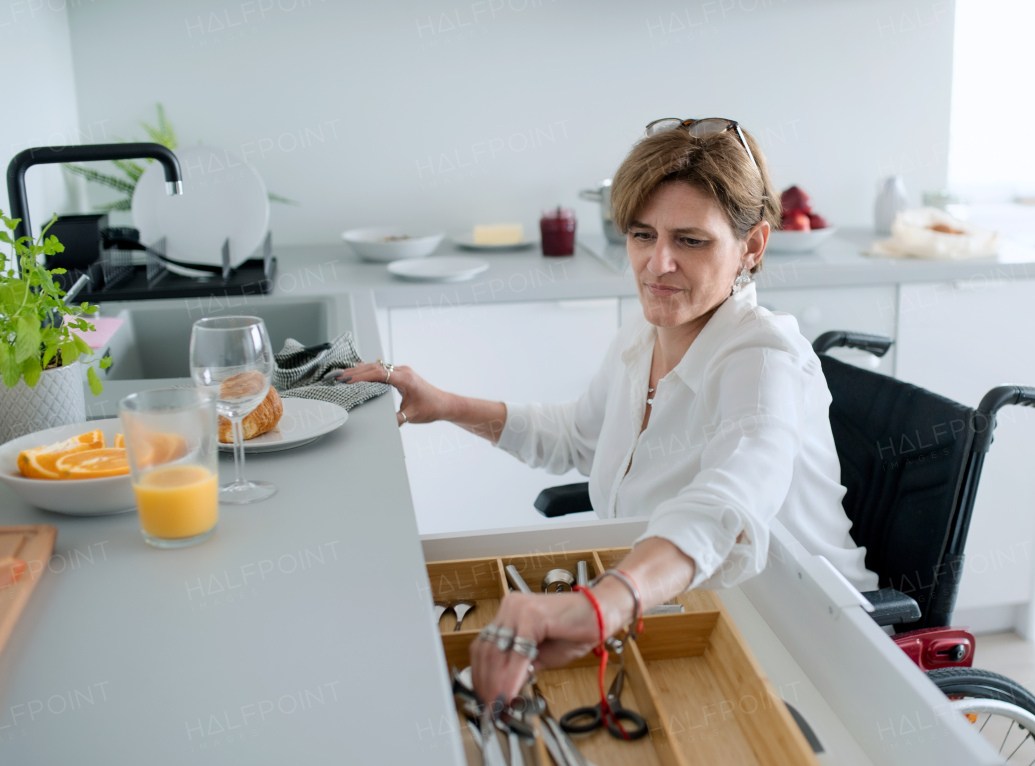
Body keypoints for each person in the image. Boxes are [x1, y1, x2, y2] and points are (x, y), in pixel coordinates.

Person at [339, 118, 878, 704]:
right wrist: (444, 404)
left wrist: (604, 603)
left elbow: (727, 505)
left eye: (691, 241)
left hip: (813, 644)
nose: (658, 263)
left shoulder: (763, 360)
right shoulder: (643, 333)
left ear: (751, 246)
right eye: (643, 235)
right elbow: (576, 436)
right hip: (684, 608)